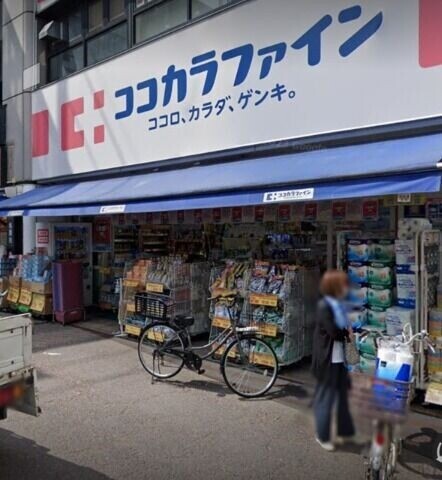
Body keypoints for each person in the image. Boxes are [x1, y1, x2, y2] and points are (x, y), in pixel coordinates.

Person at [312, 270, 355, 451]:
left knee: (340, 396)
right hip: (327, 359)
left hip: (337, 358)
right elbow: (334, 332)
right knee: (326, 397)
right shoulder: (325, 306)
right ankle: (322, 435)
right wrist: (346, 332)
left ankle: (342, 431)